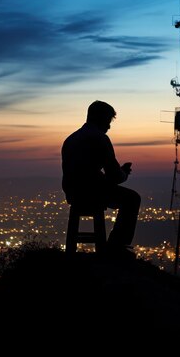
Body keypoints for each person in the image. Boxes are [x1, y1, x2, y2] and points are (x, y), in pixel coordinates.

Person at [61, 100, 141, 258]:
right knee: (132, 199)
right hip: (92, 192)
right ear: (100, 118)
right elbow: (114, 176)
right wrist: (123, 173)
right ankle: (116, 246)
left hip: (72, 192)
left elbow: (82, 172)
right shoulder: (100, 139)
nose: (109, 126)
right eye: (108, 121)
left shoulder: (71, 139)